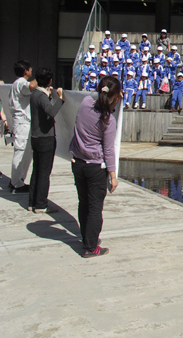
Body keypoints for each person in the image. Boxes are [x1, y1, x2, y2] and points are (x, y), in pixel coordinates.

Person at [69, 75, 121, 258]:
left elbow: (95, 99)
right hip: (95, 167)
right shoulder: (108, 121)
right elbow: (108, 150)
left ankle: (87, 238)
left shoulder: (84, 104)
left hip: (78, 163)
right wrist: (113, 175)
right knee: (95, 208)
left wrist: (111, 98)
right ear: (115, 97)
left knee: (83, 203)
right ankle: (91, 248)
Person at [29, 68, 64, 213]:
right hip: (45, 138)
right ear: (49, 81)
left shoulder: (35, 94)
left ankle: (33, 202)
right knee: (44, 172)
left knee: (36, 170)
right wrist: (60, 99)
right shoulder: (41, 96)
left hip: (35, 137)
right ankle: (41, 204)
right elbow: (50, 112)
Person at [8, 60, 38, 193]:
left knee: (26, 152)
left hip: (23, 122)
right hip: (22, 122)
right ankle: (15, 183)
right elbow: (31, 87)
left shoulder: (17, 83)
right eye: (30, 69)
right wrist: (41, 77)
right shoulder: (20, 82)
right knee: (20, 152)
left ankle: (18, 180)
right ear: (26, 71)